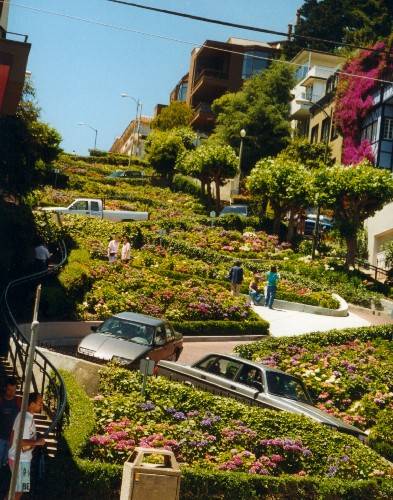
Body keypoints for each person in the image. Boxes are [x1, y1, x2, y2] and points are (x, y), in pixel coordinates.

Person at [8, 392, 46, 500]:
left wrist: (11, 451)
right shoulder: (26, 420)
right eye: (40, 403)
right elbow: (21, 442)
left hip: (19, 458)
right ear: (32, 404)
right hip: (20, 460)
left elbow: (12, 435)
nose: (41, 405)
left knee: (18, 490)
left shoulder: (23, 415)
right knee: (20, 490)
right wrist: (38, 442)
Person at [0, 377, 20, 468]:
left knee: (6, 463)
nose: (12, 392)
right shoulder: (1, 401)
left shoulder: (18, 402)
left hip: (12, 439)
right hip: (0, 438)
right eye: (9, 390)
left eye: (14, 390)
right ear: (5, 389)